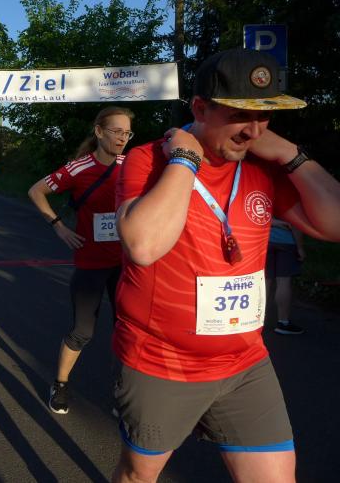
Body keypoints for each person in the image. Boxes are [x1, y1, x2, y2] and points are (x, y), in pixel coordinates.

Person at [111, 48, 340, 482]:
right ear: (200, 108)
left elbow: (334, 223)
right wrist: (185, 160)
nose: (254, 130)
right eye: (239, 115)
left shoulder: (263, 167)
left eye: (265, 116)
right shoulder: (150, 159)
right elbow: (143, 245)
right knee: (138, 475)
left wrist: (291, 153)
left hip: (245, 364)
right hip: (162, 363)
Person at [27, 106, 133, 414]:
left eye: (127, 133)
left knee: (127, 329)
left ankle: (124, 393)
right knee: (83, 331)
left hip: (125, 263)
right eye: (116, 131)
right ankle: (60, 384)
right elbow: (36, 191)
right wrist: (58, 227)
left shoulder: (131, 165)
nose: (122, 138)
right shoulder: (78, 168)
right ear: (99, 132)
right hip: (91, 263)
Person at [266, 219, 306, 335]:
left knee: (265, 281)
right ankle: (283, 323)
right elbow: (296, 223)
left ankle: (258, 320)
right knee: (283, 281)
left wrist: (273, 222)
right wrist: (300, 248)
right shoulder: (291, 205)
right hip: (287, 242)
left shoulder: (268, 204)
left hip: (265, 241)